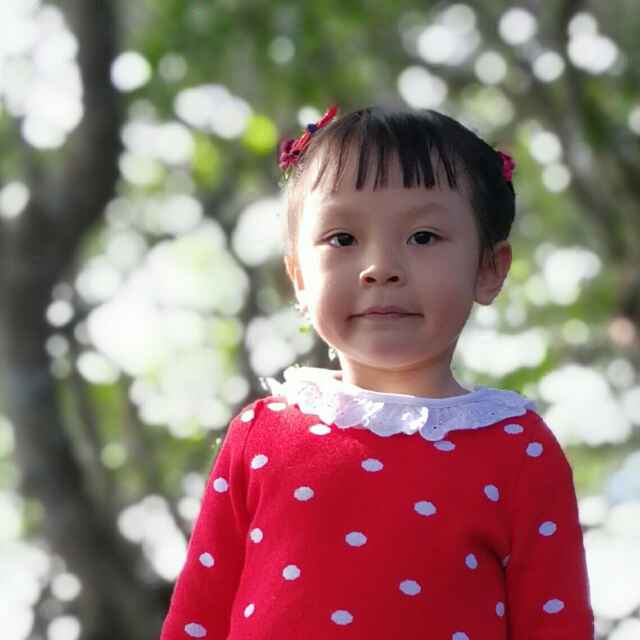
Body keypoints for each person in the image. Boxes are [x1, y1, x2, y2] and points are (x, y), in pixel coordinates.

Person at [159, 106, 594, 639]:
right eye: (342, 239)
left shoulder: (519, 449)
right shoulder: (260, 435)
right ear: (298, 276)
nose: (380, 267)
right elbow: (196, 619)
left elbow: (557, 625)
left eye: (423, 237)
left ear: (489, 268)